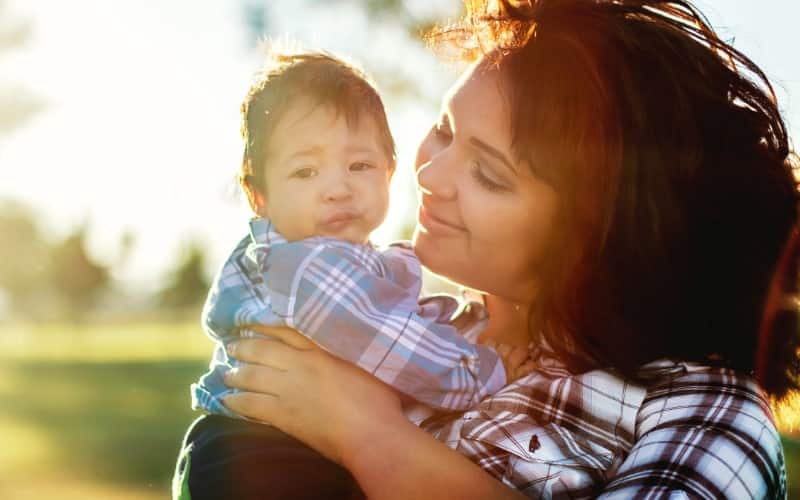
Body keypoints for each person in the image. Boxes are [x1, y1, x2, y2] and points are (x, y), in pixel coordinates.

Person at [175, 0, 799, 498]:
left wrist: (368, 436)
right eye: (444, 130)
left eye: (489, 175)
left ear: (597, 236)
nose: (429, 174)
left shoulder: (705, 412)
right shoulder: (431, 330)